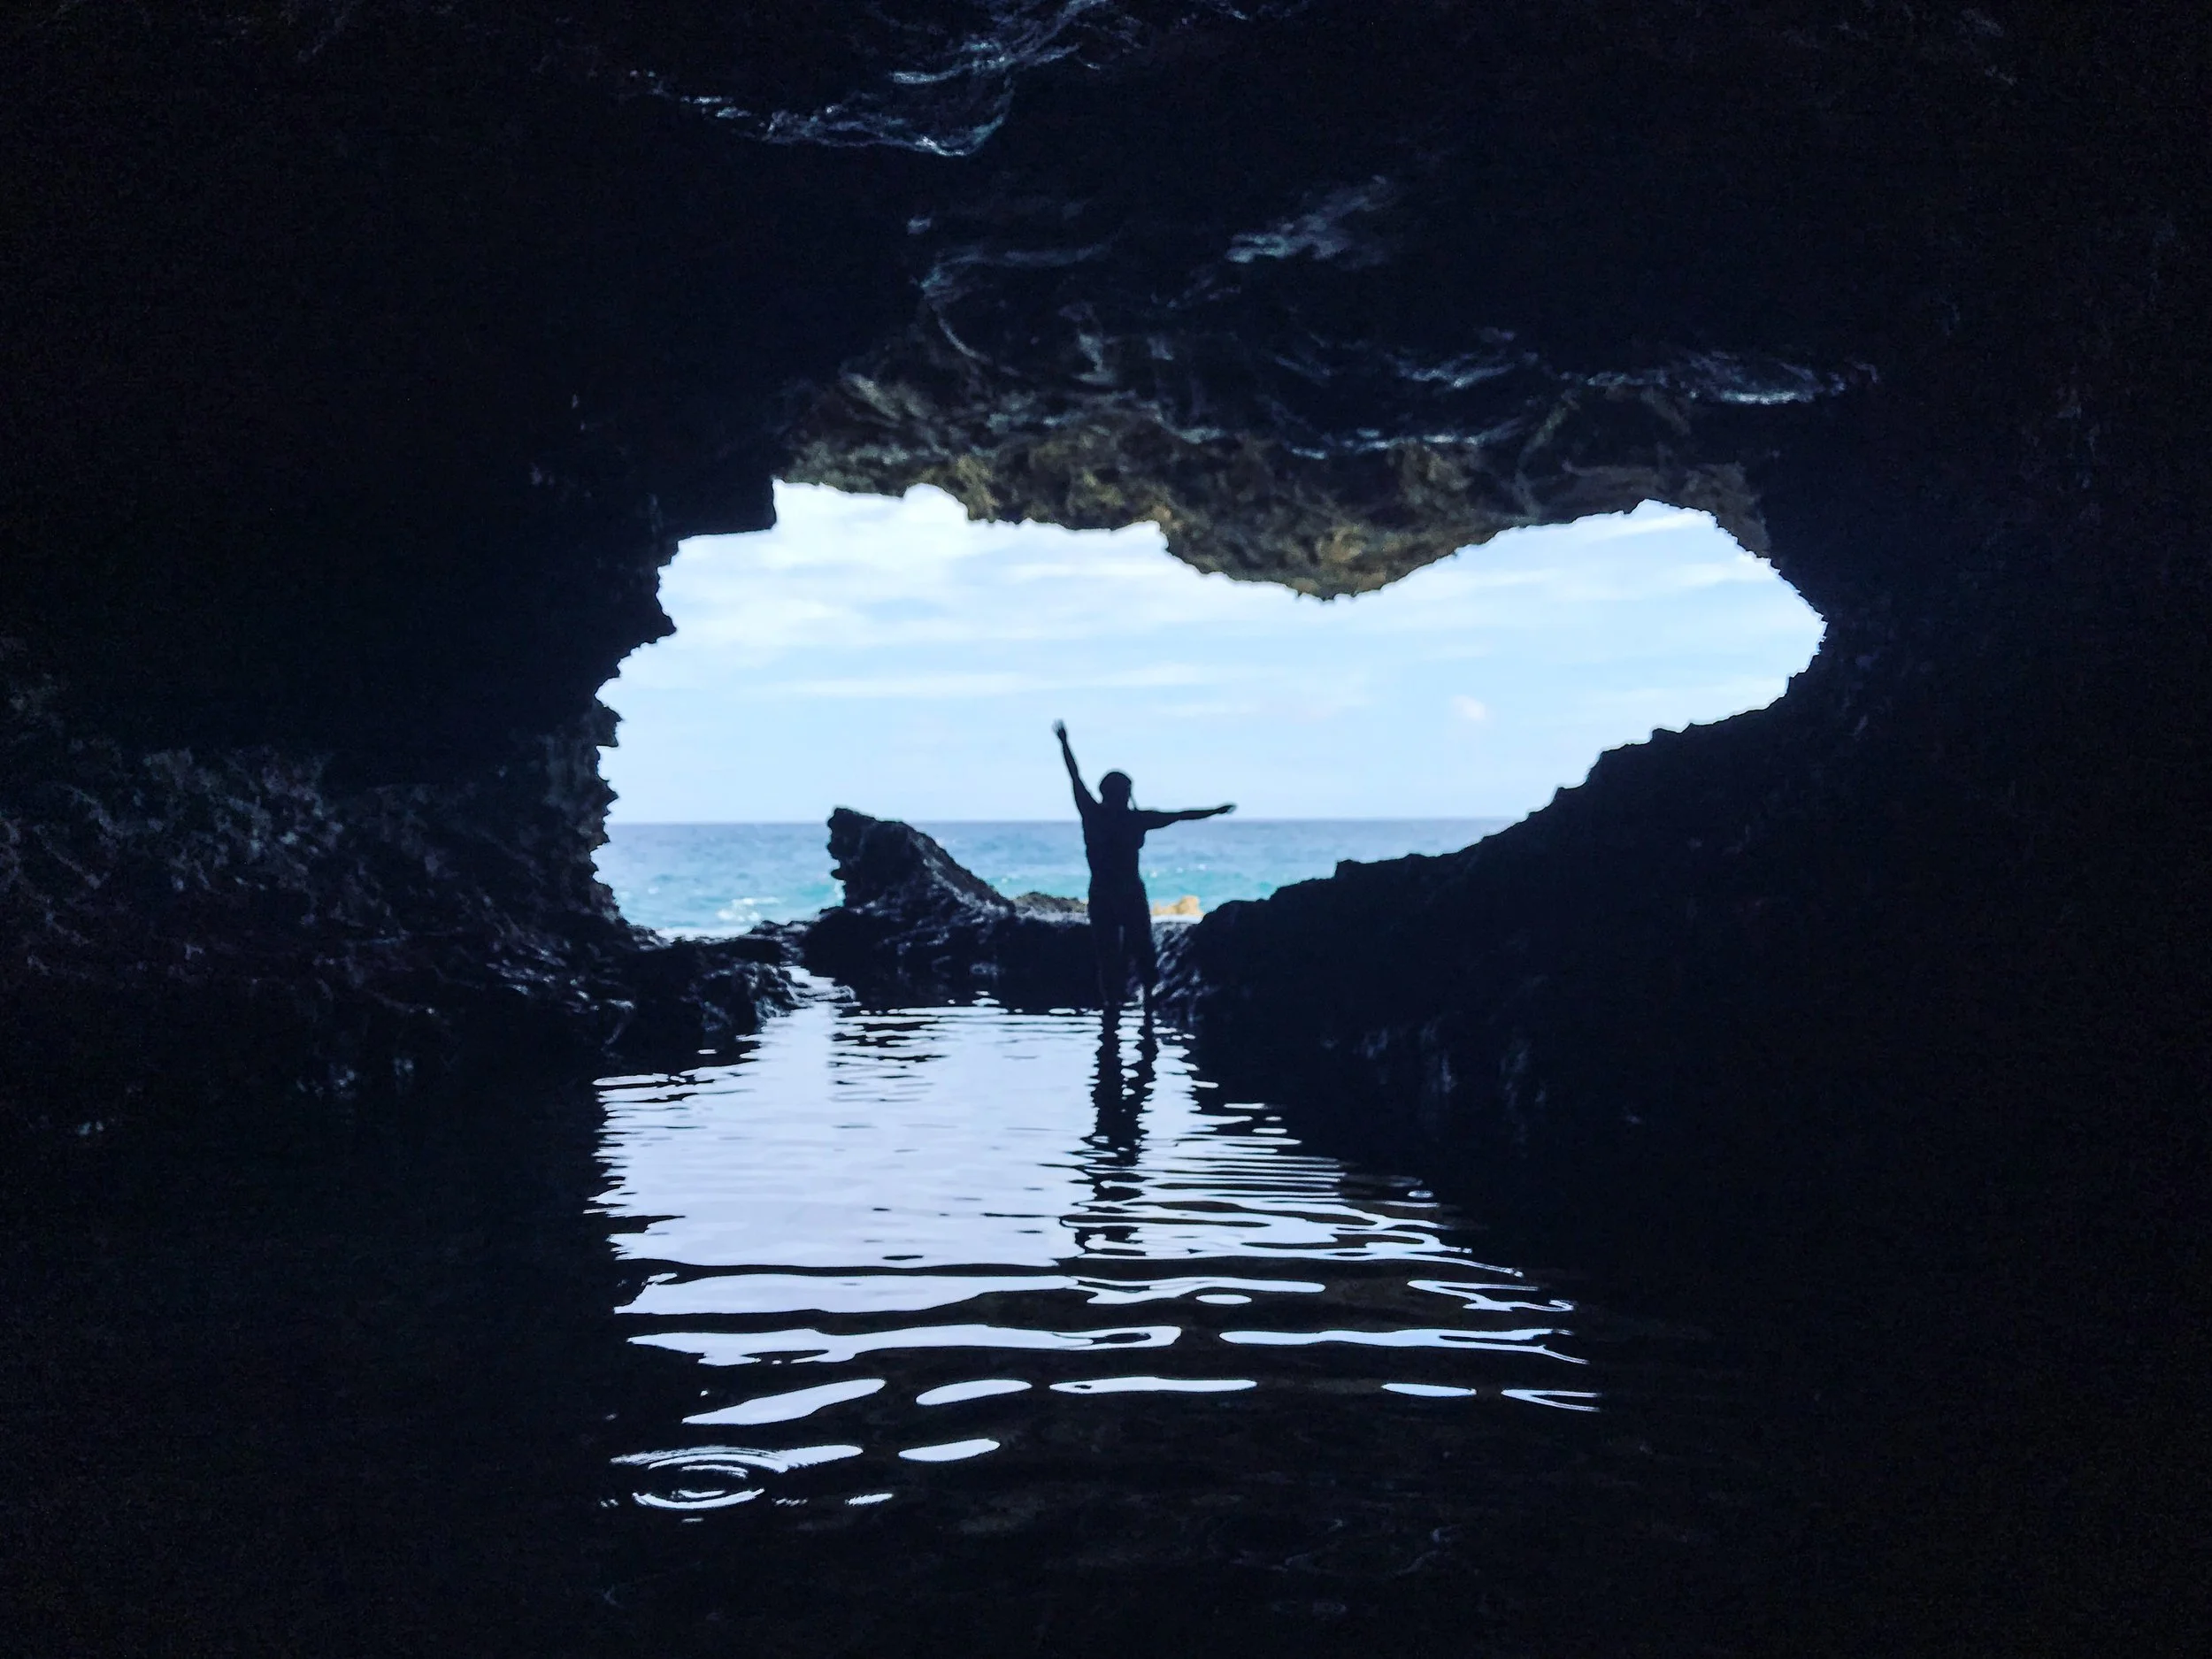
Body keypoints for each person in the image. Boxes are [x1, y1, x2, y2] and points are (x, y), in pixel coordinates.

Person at [1054, 720, 1234, 1013]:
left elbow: (1075, 777)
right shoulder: (1135, 819)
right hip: (1128, 893)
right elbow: (1180, 816)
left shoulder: (1092, 813)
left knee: (1108, 953)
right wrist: (1215, 811)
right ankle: (1146, 1006)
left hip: (1102, 893)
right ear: (1123, 793)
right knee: (1141, 948)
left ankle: (1111, 1008)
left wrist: (1064, 743)